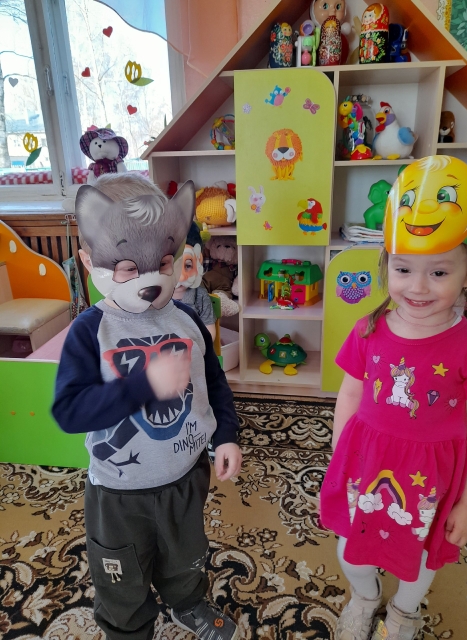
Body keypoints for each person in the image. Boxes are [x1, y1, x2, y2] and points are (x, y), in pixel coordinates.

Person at [52, 173, 242, 640]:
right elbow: (70, 411)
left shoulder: (188, 318)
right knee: (122, 575)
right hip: (120, 492)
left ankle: (186, 603)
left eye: (162, 262)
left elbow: (213, 381)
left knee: (186, 555)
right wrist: (143, 385)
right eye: (126, 268)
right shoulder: (90, 331)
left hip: (185, 475)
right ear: (89, 261)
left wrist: (226, 435)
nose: (150, 281)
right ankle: (128, 629)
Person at [320, 155, 467, 640]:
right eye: (404, 268)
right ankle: (365, 597)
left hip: (433, 475)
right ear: (386, 263)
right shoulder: (368, 329)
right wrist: (339, 453)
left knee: (421, 558)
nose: (417, 287)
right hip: (366, 462)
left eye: (439, 273)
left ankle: (404, 613)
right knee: (351, 550)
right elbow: (350, 392)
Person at [173, 221, 217, 341]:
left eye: (188, 266)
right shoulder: (156, 298)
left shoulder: (200, 296)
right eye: (174, 267)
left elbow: (209, 332)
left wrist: (199, 348)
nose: (182, 277)